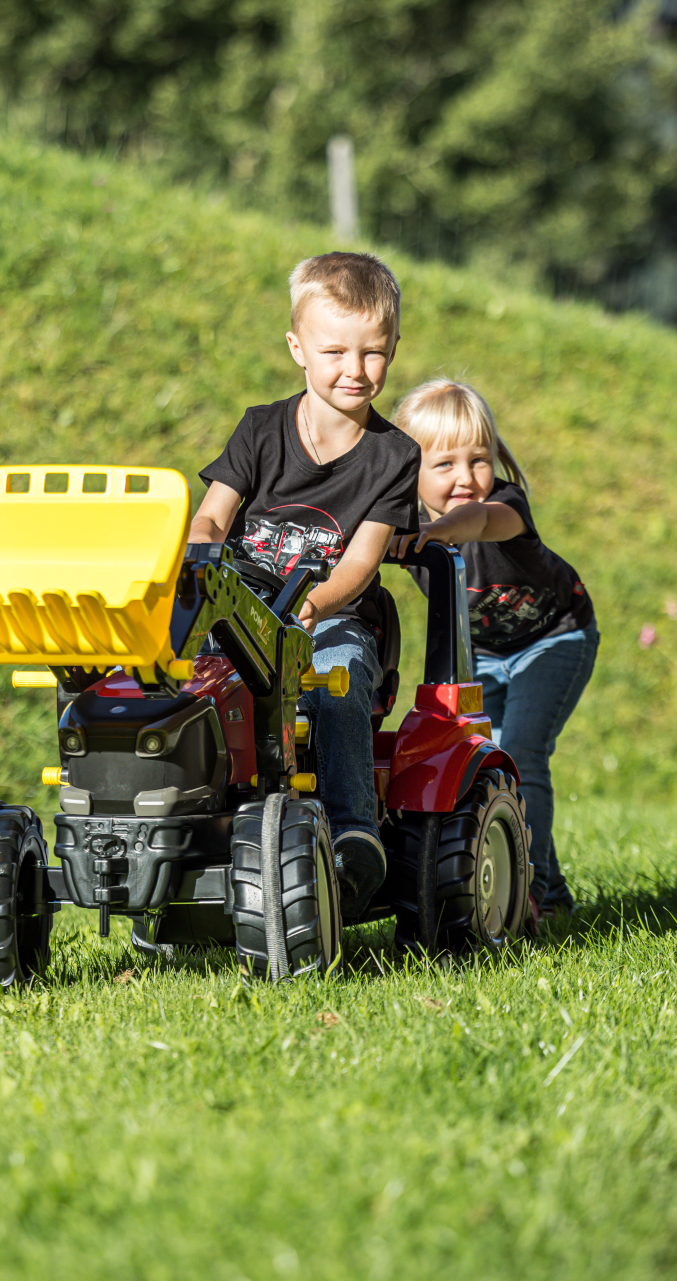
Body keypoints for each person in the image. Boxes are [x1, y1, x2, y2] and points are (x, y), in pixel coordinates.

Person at [187, 252, 421, 919]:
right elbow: (214, 512)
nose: (355, 369)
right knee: (178, 680)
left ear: (394, 348)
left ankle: (353, 830)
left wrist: (312, 606)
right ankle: (194, 819)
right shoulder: (260, 428)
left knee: (339, 679)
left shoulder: (393, 456)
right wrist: (202, 552)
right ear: (298, 348)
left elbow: (360, 561)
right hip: (240, 607)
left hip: (332, 613)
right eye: (335, 350)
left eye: (373, 352)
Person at [390, 379, 598, 925]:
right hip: (482, 651)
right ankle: (536, 881)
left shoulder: (504, 504)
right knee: (493, 767)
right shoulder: (397, 523)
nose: (466, 477)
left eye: (478, 459)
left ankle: (543, 897)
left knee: (524, 752)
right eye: (445, 465)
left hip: (554, 639)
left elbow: (477, 522)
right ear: (409, 472)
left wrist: (436, 531)